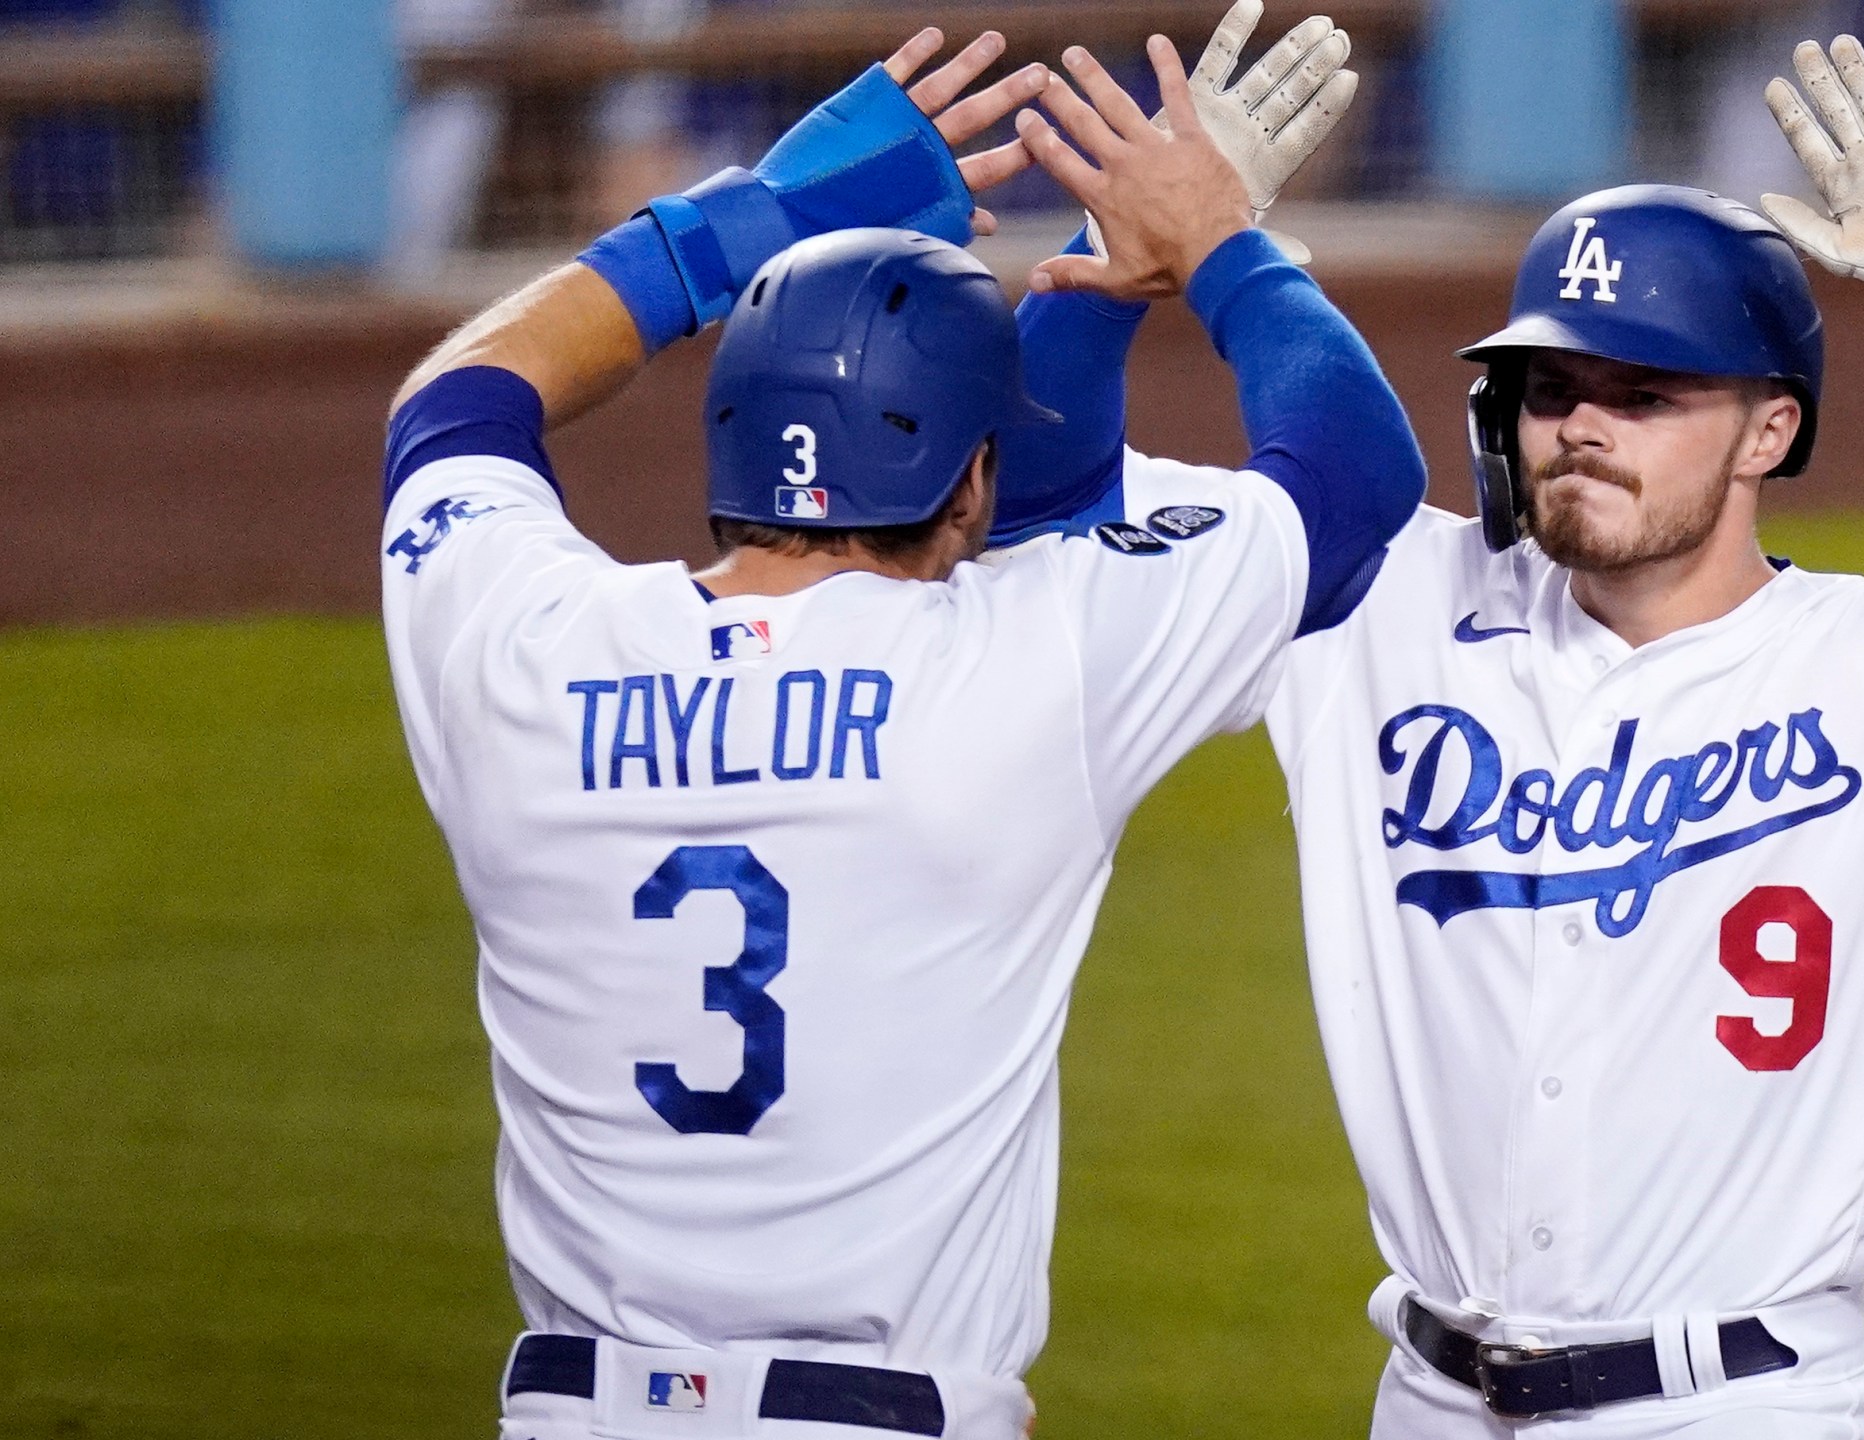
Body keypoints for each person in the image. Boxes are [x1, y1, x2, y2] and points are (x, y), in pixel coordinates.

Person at [996, 35, 1864, 1438]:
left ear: (1766, 431)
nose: (1584, 428)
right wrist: (1114, 265)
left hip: (1738, 1403)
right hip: (1426, 1398)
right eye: (1552, 389)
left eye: (1647, 395)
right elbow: (1036, 524)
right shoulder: (1369, 598)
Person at [377, 17, 1419, 1437]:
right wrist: (1207, 245)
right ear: (971, 484)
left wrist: (743, 224)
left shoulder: (519, 653)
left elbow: (459, 403)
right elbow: (1351, 485)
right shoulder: (1021, 665)